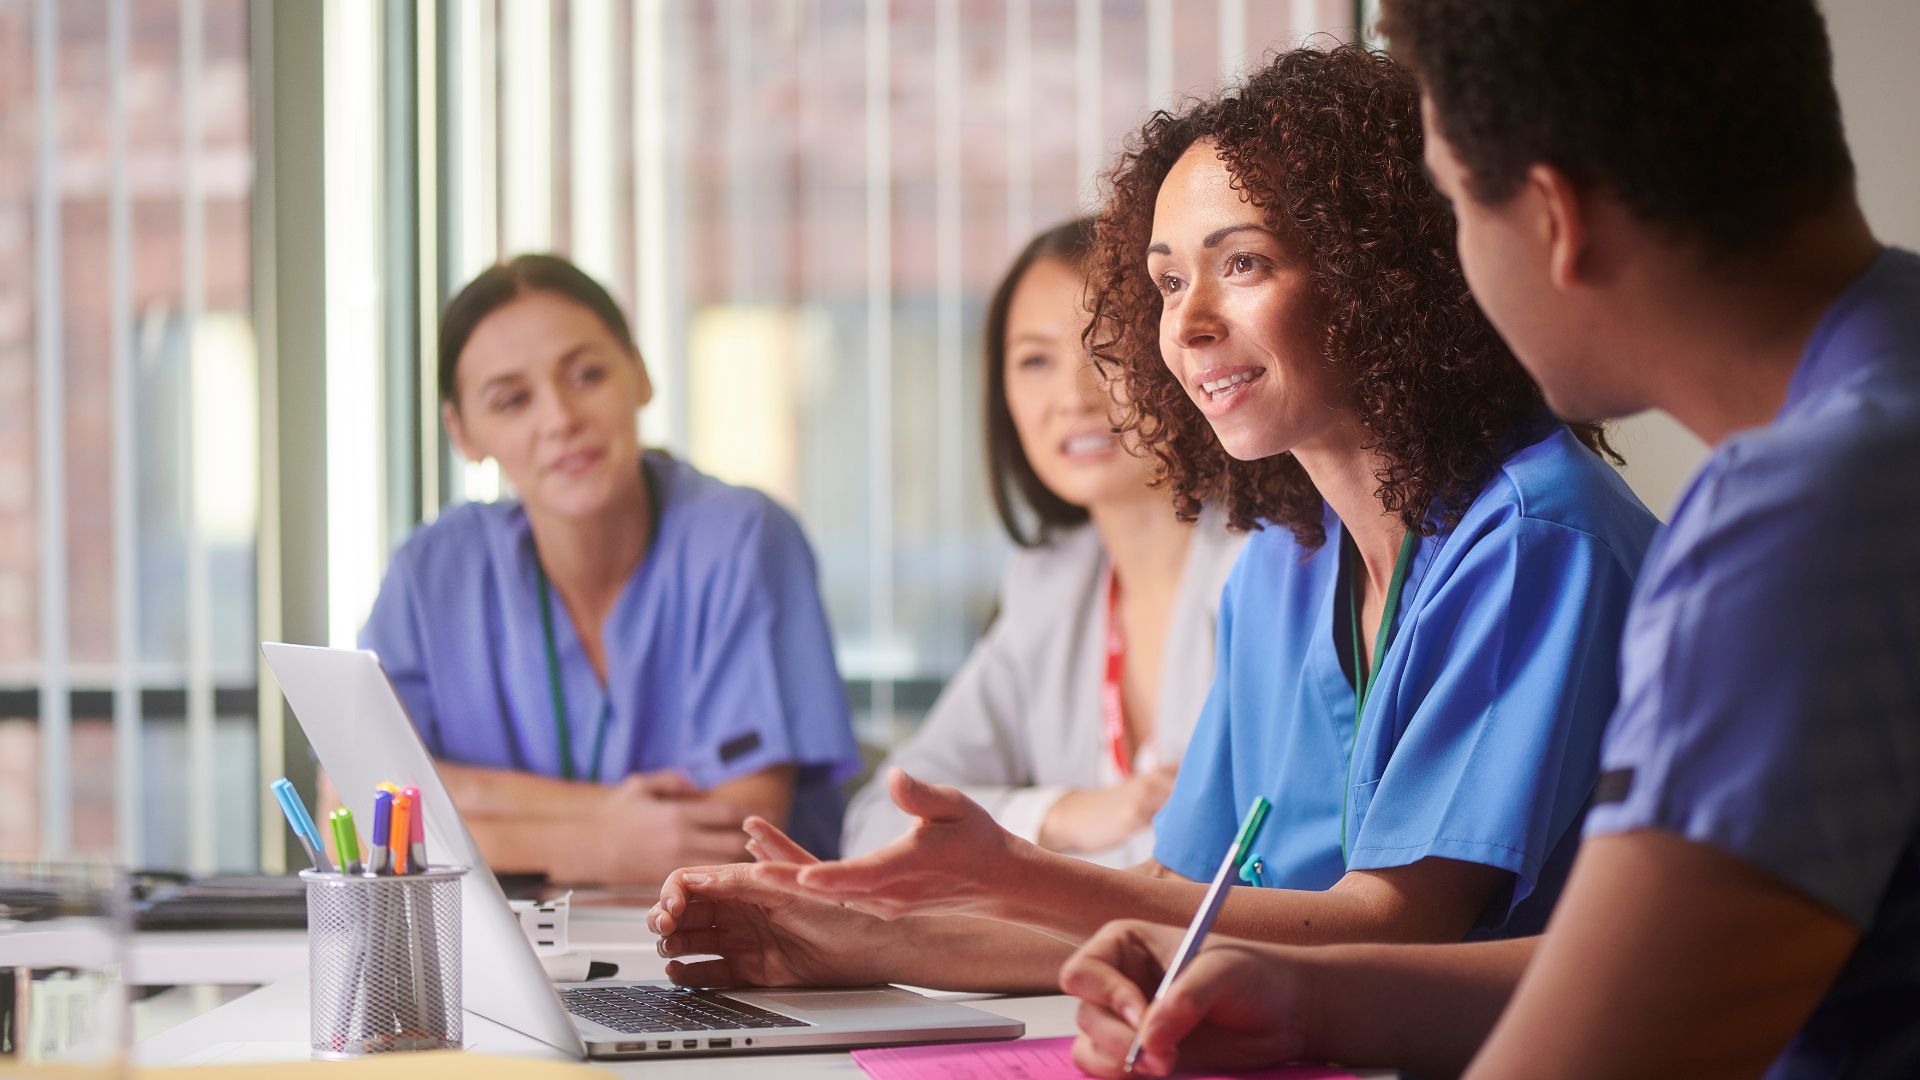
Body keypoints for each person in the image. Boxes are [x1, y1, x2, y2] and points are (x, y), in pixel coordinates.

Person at [647, 45, 1658, 993]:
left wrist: (1018, 872)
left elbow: (1401, 923)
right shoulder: (1284, 564)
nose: (1188, 320)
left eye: (1243, 263)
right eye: (1168, 280)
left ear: (1376, 273)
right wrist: (861, 940)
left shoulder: (1535, 537)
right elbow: (1186, 895)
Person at [1057, 4, 1919, 1079]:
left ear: (1555, 218)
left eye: (1458, 209)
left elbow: (1635, 1030)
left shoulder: (1800, 519)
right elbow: (1660, 961)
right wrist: (1308, 999)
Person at [358, 254, 861, 886]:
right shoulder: (431, 576)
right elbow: (354, 813)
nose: (561, 419)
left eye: (588, 375)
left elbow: (735, 836)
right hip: (512, 954)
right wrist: (598, 841)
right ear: (464, 435)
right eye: (512, 400)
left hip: (730, 960)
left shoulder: (742, 539)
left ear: (641, 374)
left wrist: (463, 800)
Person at [842, 219, 1245, 868]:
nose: (1072, 398)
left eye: (1108, 352)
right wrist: (1061, 815)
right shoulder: (1052, 582)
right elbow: (881, 817)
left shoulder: (1268, 564)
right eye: (1035, 361)